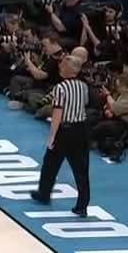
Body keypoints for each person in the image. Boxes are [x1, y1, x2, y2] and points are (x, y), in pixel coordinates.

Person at [31, 55, 91, 217]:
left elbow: (57, 113)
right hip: (81, 129)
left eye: (62, 65)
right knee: (81, 169)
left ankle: (44, 194)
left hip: (65, 130)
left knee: (51, 163)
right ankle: (82, 206)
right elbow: (85, 104)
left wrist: (52, 135)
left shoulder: (60, 88)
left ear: (68, 69)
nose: (59, 67)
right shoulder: (83, 86)